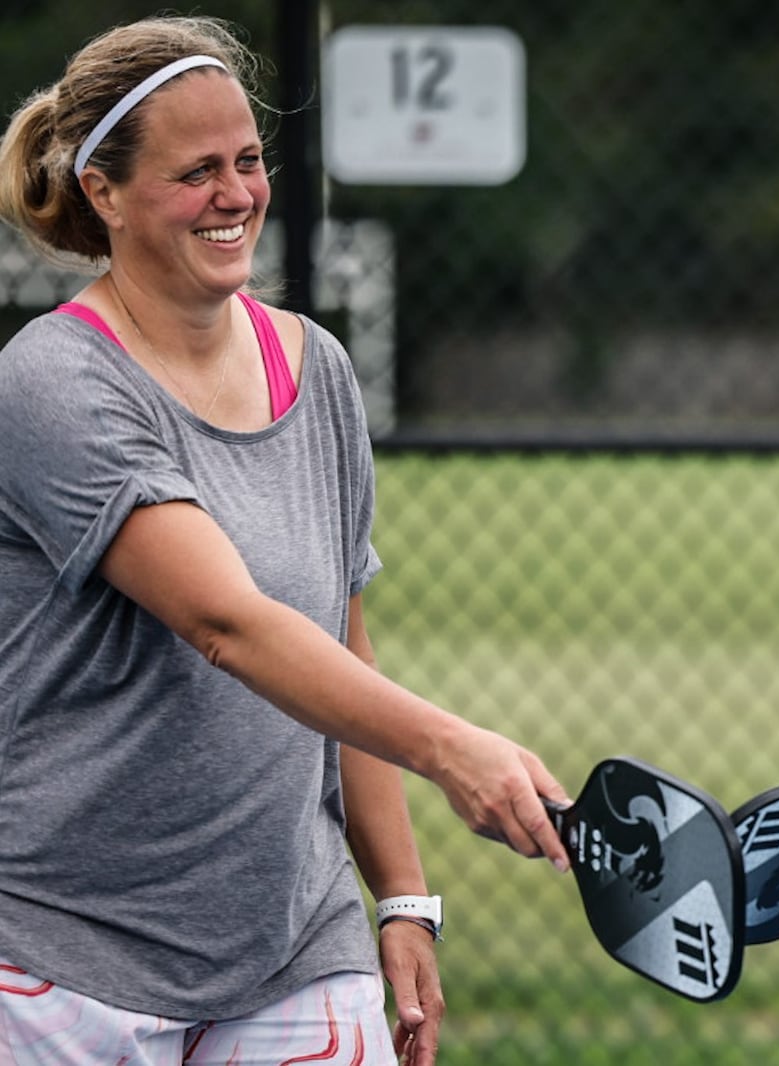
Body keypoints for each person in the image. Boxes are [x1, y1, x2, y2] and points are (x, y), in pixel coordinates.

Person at [0, 15, 572, 1066]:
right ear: (105, 192)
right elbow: (226, 621)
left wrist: (404, 897)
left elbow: (338, 649)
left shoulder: (321, 371)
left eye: (249, 160)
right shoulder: (52, 382)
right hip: (64, 964)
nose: (236, 195)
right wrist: (454, 749)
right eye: (195, 171)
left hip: (293, 949)